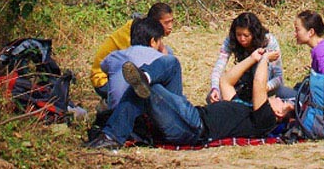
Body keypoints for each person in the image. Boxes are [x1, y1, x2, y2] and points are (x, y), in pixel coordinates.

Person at [85, 46, 295, 149]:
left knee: (149, 91)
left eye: (281, 100)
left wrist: (266, 60)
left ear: (278, 112)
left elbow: (260, 85)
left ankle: (112, 136)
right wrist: (252, 58)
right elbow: (225, 82)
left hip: (193, 127)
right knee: (171, 64)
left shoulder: (264, 121)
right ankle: (146, 75)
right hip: (187, 114)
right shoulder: (245, 108)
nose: (277, 98)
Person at [90, 2, 174, 99]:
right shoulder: (133, 33)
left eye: (172, 21)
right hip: (103, 81)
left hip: (123, 71)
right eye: (166, 22)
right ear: (154, 22)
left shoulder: (145, 30)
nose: (170, 26)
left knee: (168, 53)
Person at [208, 12, 285, 104]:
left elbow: (279, 77)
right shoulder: (231, 41)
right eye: (238, 35)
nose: (242, 39)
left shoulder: (269, 42)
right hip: (244, 82)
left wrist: (263, 88)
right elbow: (219, 67)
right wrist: (215, 87)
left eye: (246, 35)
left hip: (265, 85)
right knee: (213, 98)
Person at [100, 17, 165, 109]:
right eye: (160, 40)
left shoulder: (114, 56)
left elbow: (103, 67)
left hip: (115, 114)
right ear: (153, 41)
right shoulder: (160, 59)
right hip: (146, 117)